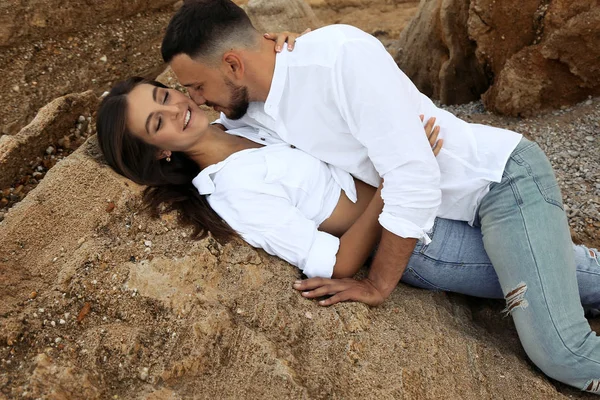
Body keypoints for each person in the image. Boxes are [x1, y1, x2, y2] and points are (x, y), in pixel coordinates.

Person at [155, 0, 600, 393]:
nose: (196, 100)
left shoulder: (338, 58)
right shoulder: (250, 112)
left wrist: (378, 284)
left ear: (233, 65)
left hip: (493, 184)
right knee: (571, 278)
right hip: (438, 229)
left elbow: (413, 178)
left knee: (560, 352)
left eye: (196, 87)